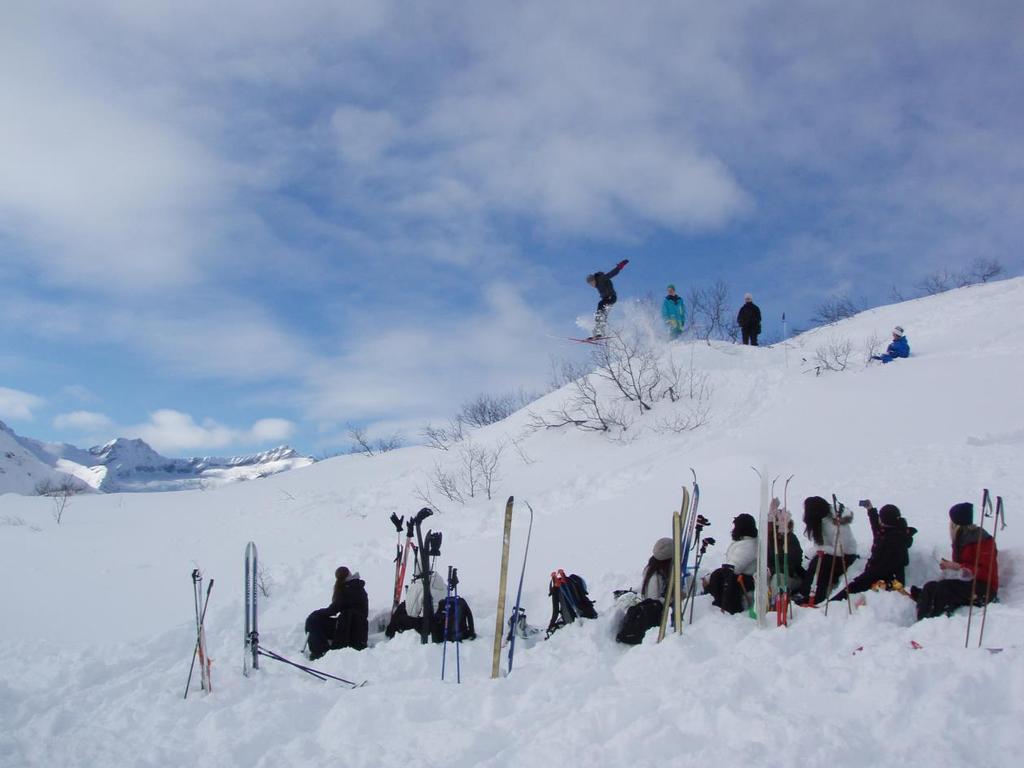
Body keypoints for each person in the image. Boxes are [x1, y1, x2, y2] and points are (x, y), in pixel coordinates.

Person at [913, 502, 999, 621]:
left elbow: (985, 572)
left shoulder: (983, 541)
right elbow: (964, 569)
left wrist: (957, 566)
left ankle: (936, 621)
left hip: (984, 589)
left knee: (944, 588)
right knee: (930, 587)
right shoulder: (960, 538)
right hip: (967, 583)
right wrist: (951, 567)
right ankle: (922, 622)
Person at [830, 502, 916, 602]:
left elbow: (893, 564)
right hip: (876, 572)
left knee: (855, 587)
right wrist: (870, 509)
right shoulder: (888, 530)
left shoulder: (895, 541)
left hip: (891, 580)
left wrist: (867, 577)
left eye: (880, 517)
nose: (878, 518)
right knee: (855, 586)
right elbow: (875, 525)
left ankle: (833, 605)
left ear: (885, 522)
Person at [797, 496, 858, 605]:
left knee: (822, 566)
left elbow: (839, 549)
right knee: (814, 565)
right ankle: (805, 592)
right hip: (827, 552)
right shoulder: (819, 520)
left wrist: (820, 548)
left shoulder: (838, 524)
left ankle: (817, 596)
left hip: (845, 556)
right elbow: (809, 536)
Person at [616, 537, 673, 644]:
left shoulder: (657, 568)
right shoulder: (655, 577)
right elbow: (653, 602)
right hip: (653, 613)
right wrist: (672, 598)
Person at [305, 566, 368, 660]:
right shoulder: (358, 587)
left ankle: (319, 650)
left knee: (313, 620)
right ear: (349, 574)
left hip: (347, 628)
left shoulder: (346, 589)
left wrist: (316, 613)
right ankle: (322, 648)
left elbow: (332, 610)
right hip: (358, 629)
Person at [703, 514, 758, 614]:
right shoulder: (743, 542)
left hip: (745, 581)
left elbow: (734, 567)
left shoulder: (749, 545)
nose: (733, 530)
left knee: (718, 576)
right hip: (740, 578)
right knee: (718, 574)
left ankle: (724, 606)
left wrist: (711, 577)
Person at [386, 569, 446, 638]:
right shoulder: (443, 586)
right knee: (403, 606)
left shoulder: (420, 587)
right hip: (440, 622)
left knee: (400, 617)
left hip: (426, 625)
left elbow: (412, 612)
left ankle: (390, 632)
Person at [766, 500, 805, 593]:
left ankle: (777, 604)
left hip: (790, 577)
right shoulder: (768, 541)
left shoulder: (790, 539)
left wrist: (771, 571)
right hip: (772, 575)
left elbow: (792, 565)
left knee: (777, 579)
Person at [585, 259, 629, 339]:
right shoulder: (597, 284)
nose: (592, 285)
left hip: (611, 298)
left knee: (601, 308)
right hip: (606, 299)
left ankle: (600, 332)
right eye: (590, 284)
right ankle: (597, 333)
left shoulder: (601, 279)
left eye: (591, 283)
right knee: (599, 315)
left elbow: (612, 274)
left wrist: (620, 266)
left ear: (594, 279)